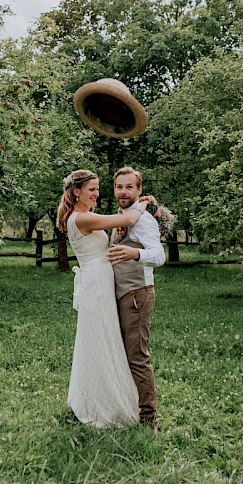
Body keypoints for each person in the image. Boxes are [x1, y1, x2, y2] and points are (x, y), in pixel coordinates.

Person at [55, 169, 149, 428]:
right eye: (92, 190)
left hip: (99, 280)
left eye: (97, 189)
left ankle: (99, 395)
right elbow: (128, 218)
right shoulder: (82, 219)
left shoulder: (82, 216)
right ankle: (103, 402)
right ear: (77, 192)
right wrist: (143, 203)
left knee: (105, 337)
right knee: (101, 338)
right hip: (96, 283)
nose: (97, 193)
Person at [107, 166, 165, 429]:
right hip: (122, 294)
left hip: (137, 294)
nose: (123, 191)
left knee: (137, 357)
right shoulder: (123, 217)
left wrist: (136, 254)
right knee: (124, 353)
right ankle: (128, 405)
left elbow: (159, 256)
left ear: (139, 190)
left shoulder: (143, 220)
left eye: (129, 187)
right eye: (119, 187)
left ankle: (148, 418)